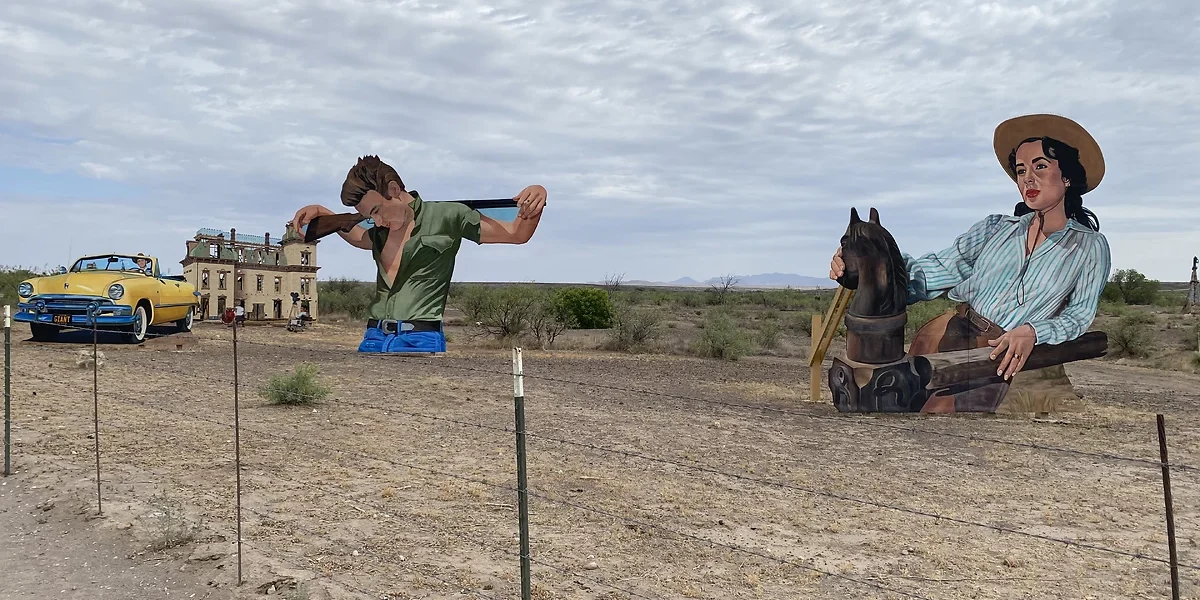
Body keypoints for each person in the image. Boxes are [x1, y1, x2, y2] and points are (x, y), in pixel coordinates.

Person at [829, 113, 1112, 413]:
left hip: (997, 351)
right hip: (945, 331)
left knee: (947, 422)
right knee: (898, 406)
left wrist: (1033, 331)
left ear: (1067, 176)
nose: (1028, 178)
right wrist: (869, 264)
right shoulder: (995, 228)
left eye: (1040, 166)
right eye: (1021, 170)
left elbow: (1079, 315)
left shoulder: (1089, 246)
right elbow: (939, 269)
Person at [290, 155, 547, 353]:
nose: (376, 221)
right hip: (373, 338)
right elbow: (358, 237)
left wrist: (537, 195)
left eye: (377, 210)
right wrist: (323, 213)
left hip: (420, 339)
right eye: (369, 216)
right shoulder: (379, 232)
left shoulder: (448, 215)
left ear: (393, 189)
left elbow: (515, 233)